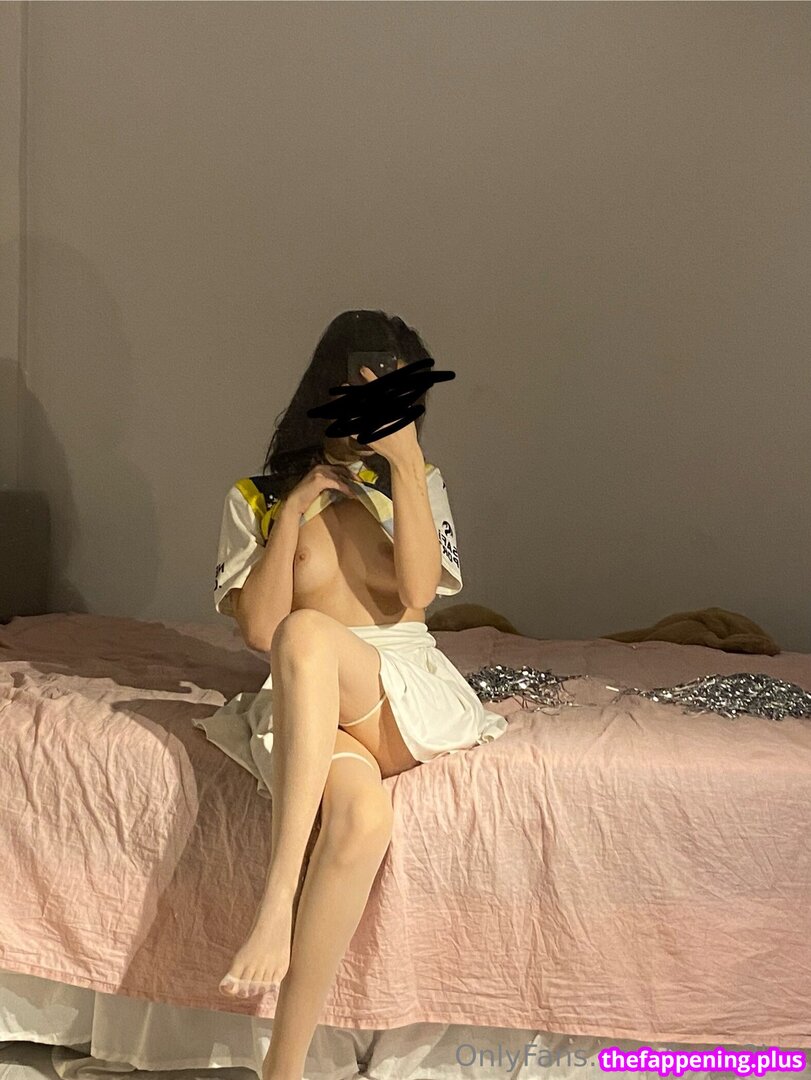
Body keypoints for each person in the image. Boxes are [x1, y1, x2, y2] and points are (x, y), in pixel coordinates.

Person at [193, 309, 508, 1080]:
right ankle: (284, 1069)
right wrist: (294, 512)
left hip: (394, 695)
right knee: (361, 820)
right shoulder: (256, 495)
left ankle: (275, 901)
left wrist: (405, 462)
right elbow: (258, 632)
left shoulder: (418, 482)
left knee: (308, 632)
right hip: (310, 703)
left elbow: (418, 591)